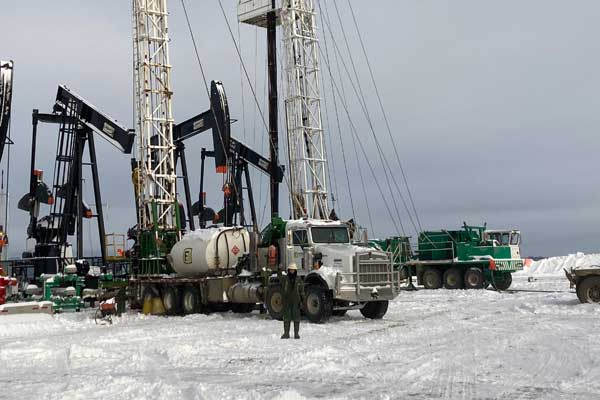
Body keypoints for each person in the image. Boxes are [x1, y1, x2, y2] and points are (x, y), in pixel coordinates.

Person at [279, 263, 305, 339]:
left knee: (296, 318)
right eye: (290, 270)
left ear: (295, 270)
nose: (292, 271)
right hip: (287, 300)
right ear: (288, 270)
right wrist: (279, 270)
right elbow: (280, 279)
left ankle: (296, 334)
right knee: (286, 317)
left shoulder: (298, 279)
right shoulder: (285, 279)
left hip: (296, 301)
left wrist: (302, 299)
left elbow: (301, 290)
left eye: (293, 270)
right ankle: (286, 333)